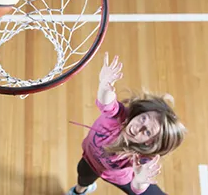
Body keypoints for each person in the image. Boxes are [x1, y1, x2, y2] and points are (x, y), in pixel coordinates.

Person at [67, 52, 187, 195]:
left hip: (119, 178)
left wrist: (141, 180)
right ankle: (78, 192)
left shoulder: (143, 156)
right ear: (140, 113)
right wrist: (104, 85)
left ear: (149, 142)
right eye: (143, 119)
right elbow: (107, 101)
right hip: (90, 161)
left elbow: (137, 188)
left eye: (147, 132)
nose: (138, 128)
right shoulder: (119, 116)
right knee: (83, 178)